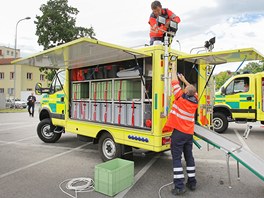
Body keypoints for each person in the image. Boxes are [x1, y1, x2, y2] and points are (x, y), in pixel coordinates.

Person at [163, 64, 198, 195]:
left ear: (184, 91)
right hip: (189, 134)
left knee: (177, 158)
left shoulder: (180, 97)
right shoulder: (195, 100)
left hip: (178, 134)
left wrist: (172, 67)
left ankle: (179, 186)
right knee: (189, 157)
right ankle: (192, 182)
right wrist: (185, 81)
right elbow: (192, 90)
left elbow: (173, 81)